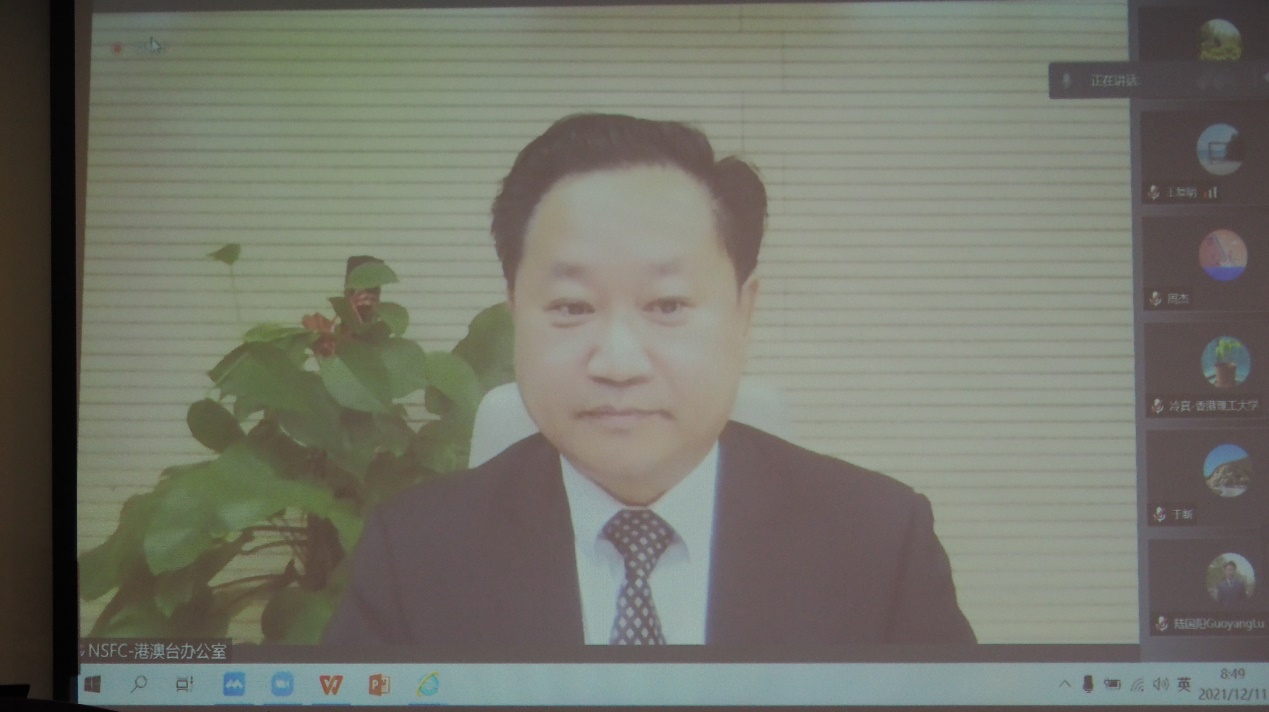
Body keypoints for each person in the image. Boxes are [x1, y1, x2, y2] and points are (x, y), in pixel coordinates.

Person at [324, 113, 975, 655]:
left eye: (667, 305)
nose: (618, 362)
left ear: (743, 312)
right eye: (571, 306)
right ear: (516, 310)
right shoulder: (414, 551)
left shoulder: (880, 541)